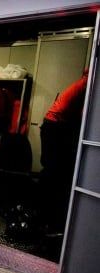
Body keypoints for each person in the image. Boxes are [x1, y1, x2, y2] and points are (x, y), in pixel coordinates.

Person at [39, 70, 88, 232]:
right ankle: (45, 213)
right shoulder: (88, 83)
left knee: (53, 169)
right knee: (54, 170)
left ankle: (44, 212)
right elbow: (84, 115)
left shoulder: (83, 83)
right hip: (56, 125)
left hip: (54, 124)